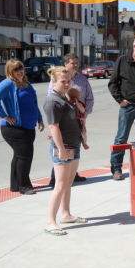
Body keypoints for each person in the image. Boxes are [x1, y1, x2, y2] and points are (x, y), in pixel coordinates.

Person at [0, 60, 44, 195]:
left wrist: (39, 118)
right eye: (15, 69)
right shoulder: (8, 83)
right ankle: (24, 186)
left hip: (28, 127)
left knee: (19, 156)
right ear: (10, 71)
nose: (19, 71)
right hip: (14, 128)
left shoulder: (26, 83)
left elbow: (33, 103)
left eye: (21, 68)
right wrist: (4, 115)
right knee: (25, 156)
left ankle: (15, 185)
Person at [43, 66, 86, 236]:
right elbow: (53, 126)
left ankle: (66, 214)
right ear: (53, 81)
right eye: (63, 81)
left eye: (68, 81)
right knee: (60, 185)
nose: (67, 84)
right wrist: (60, 148)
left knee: (68, 183)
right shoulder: (52, 100)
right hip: (63, 147)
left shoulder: (64, 97)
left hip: (73, 145)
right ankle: (50, 221)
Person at [108, 40, 135, 181]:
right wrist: (120, 100)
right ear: (134, 47)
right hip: (127, 106)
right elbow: (113, 83)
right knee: (121, 137)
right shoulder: (123, 61)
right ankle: (116, 168)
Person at [47, 54, 93, 186]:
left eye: (77, 63)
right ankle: (55, 178)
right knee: (61, 147)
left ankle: (73, 174)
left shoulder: (83, 80)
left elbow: (89, 98)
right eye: (73, 63)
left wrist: (84, 115)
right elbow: (52, 98)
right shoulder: (57, 80)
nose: (75, 65)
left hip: (78, 119)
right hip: (62, 121)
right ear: (66, 64)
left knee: (75, 145)